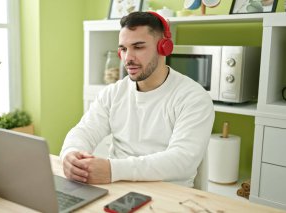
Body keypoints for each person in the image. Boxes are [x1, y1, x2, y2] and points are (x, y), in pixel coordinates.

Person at [60, 11, 215, 187]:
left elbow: (182, 161)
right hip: (118, 187)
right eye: (123, 49)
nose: (128, 58)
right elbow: (84, 131)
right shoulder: (113, 93)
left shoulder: (193, 98)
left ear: (164, 47)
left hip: (169, 194)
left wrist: (113, 170)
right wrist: (70, 154)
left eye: (138, 47)